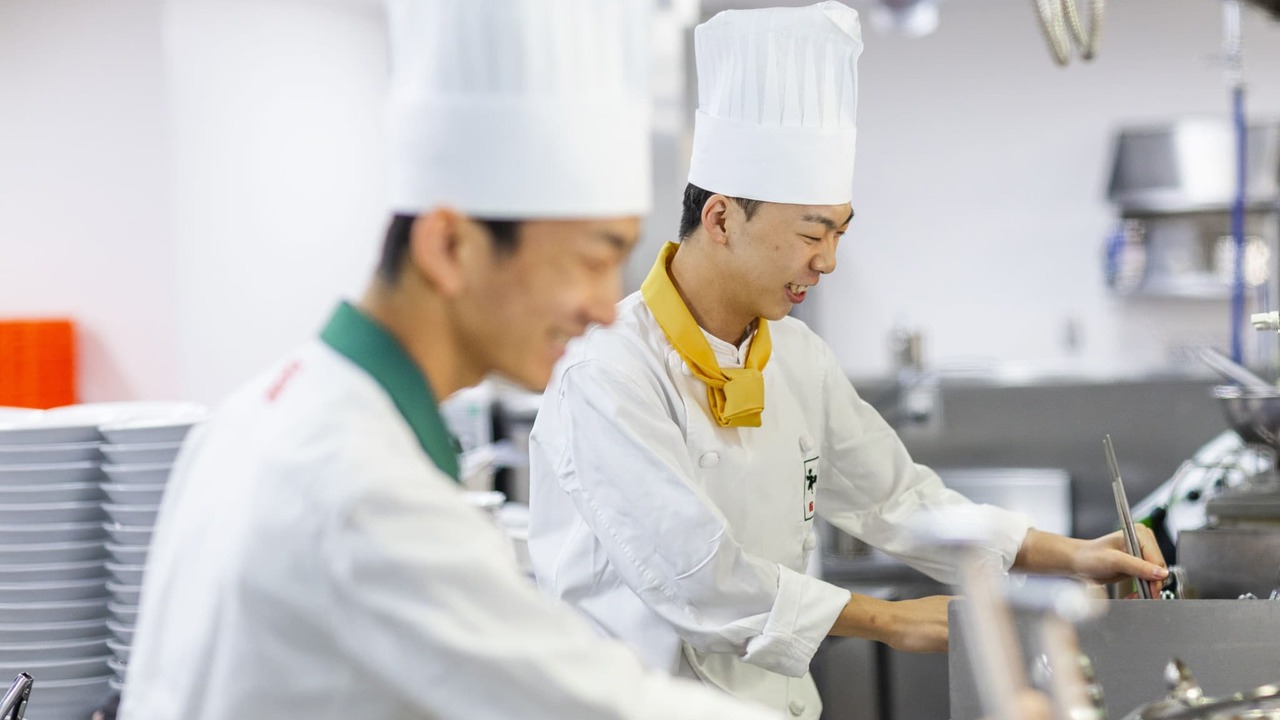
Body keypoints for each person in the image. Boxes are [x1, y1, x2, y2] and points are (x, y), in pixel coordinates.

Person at [118, 2, 778, 718]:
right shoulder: (356, 484)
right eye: (595, 258)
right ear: (449, 247)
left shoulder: (268, 411)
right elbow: (594, 707)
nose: (601, 306)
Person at [525, 3, 1168, 718]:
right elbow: (699, 577)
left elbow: (897, 499)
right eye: (812, 232)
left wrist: (1070, 555)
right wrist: (894, 620)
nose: (827, 260)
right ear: (721, 219)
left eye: (839, 232)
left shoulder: (794, 355)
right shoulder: (606, 369)